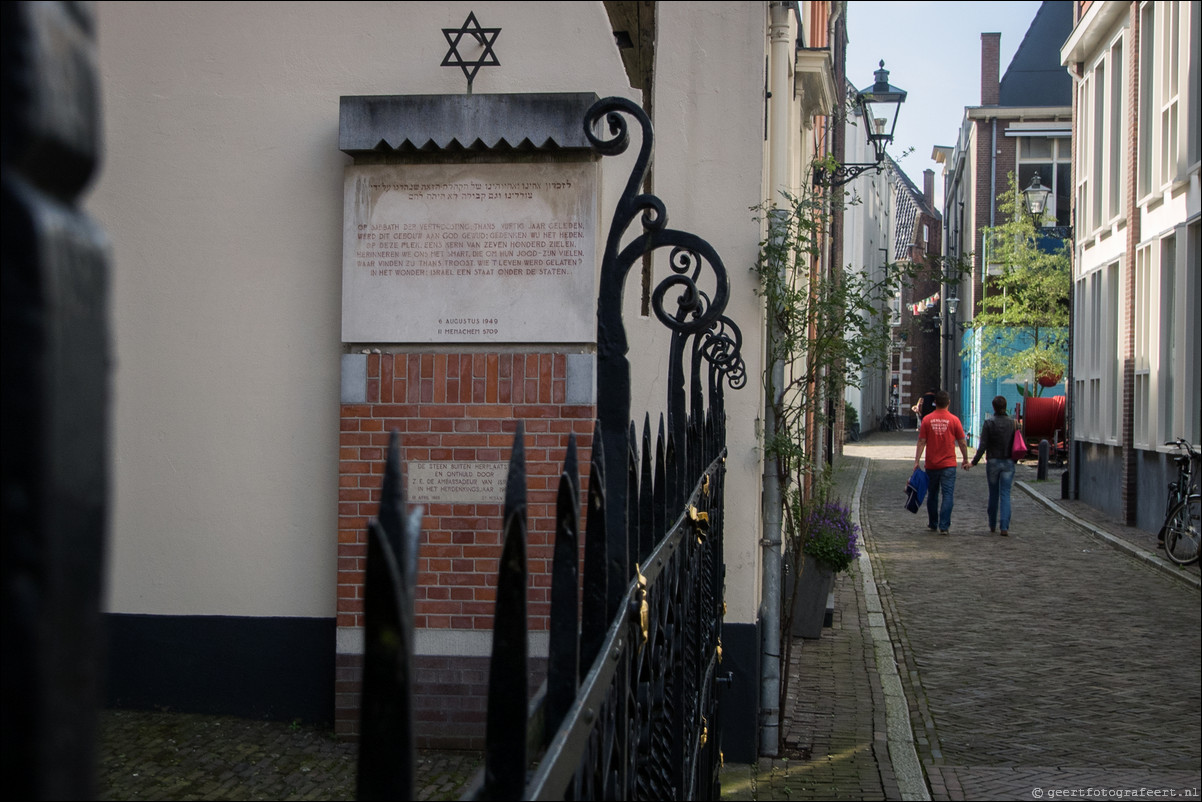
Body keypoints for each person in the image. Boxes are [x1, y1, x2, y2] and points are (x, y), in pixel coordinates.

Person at [913, 390, 970, 534]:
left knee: (932, 494)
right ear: (948, 403)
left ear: (935, 403)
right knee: (948, 495)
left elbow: (921, 442)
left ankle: (933, 523)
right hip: (949, 464)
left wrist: (916, 461)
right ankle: (944, 526)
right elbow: (962, 442)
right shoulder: (954, 420)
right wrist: (965, 459)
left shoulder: (927, 420)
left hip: (932, 464)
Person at [966, 395, 1017, 536]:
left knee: (993, 494)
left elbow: (983, 446)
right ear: (1005, 406)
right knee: (1005, 494)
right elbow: (1018, 444)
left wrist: (973, 462)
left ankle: (992, 524)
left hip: (993, 461)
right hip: (1008, 461)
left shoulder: (989, 423)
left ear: (994, 407)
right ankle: (1004, 526)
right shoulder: (1013, 423)